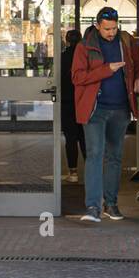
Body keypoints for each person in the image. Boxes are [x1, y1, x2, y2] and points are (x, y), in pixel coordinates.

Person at [70, 7, 139, 223]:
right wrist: (107, 69)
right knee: (95, 155)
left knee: (115, 157)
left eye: (114, 28)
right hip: (96, 109)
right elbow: (77, 77)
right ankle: (93, 206)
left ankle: (111, 204)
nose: (111, 33)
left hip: (121, 109)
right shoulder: (84, 46)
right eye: (107, 29)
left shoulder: (126, 42)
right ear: (97, 26)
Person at [59, 29, 86, 183]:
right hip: (83, 101)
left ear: (67, 41)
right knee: (84, 137)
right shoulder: (84, 56)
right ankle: (90, 170)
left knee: (70, 138)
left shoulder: (62, 57)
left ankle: (73, 173)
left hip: (67, 102)